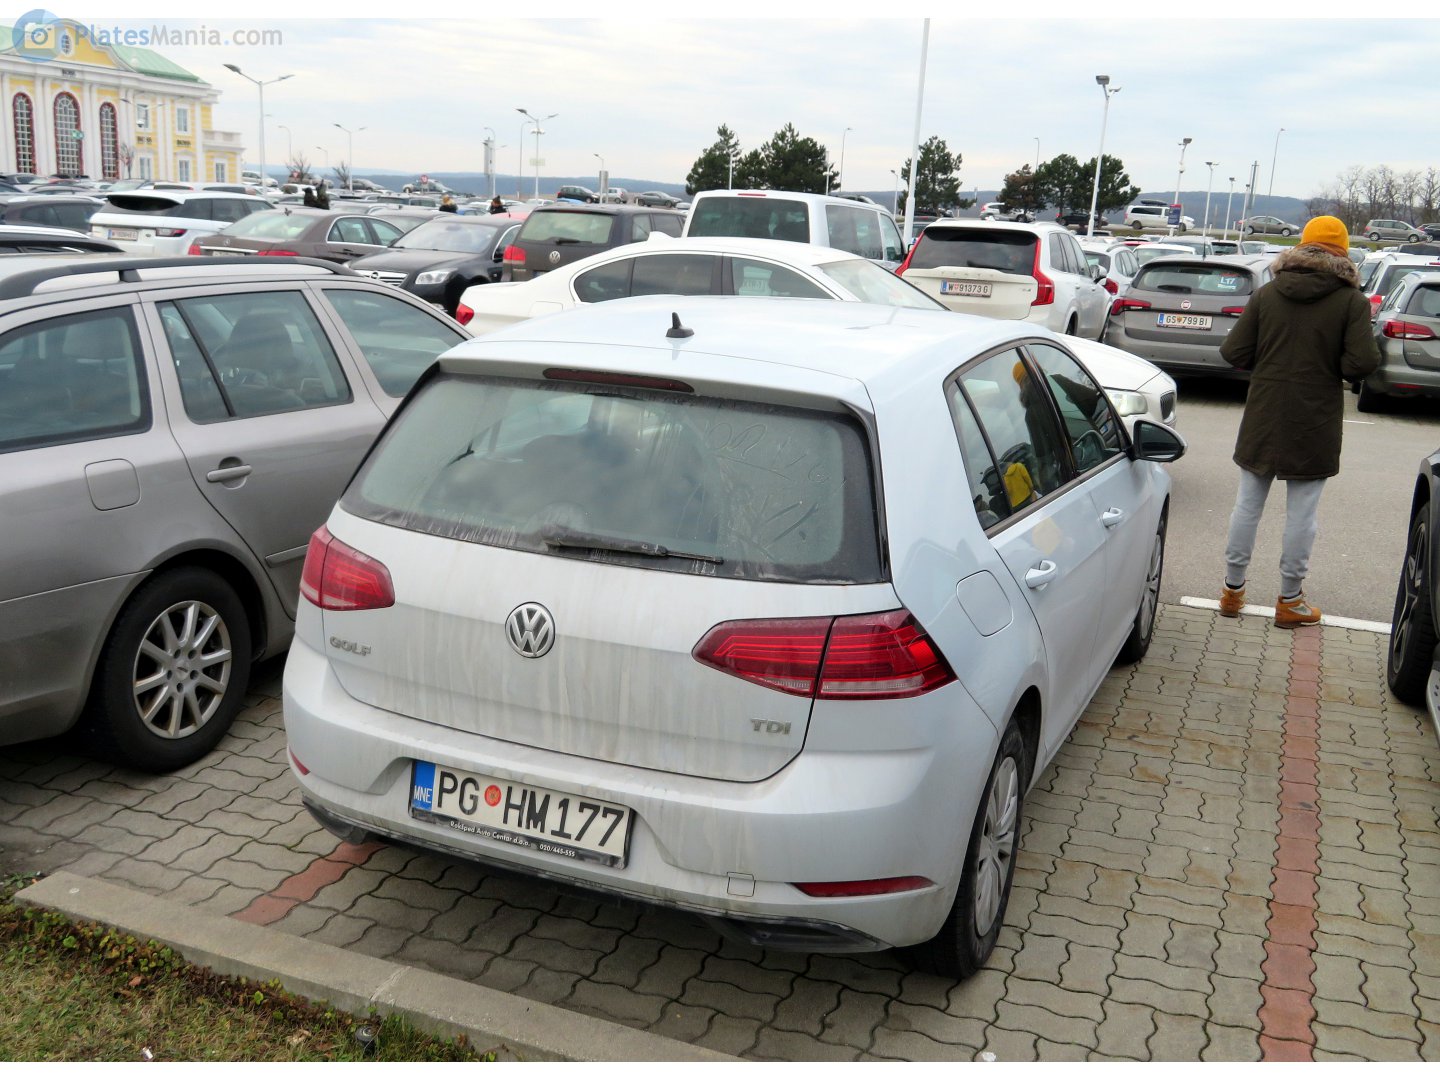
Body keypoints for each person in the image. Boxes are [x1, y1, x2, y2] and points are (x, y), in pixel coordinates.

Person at [1217, 215, 1380, 627]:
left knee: (1247, 505)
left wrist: (1269, 363)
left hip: (1264, 411)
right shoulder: (1351, 301)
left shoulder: (1268, 293)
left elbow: (1234, 352)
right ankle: (1290, 600)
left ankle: (1231, 593)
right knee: (1302, 514)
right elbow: (1361, 364)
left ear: (1302, 246)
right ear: (1342, 251)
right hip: (1315, 417)